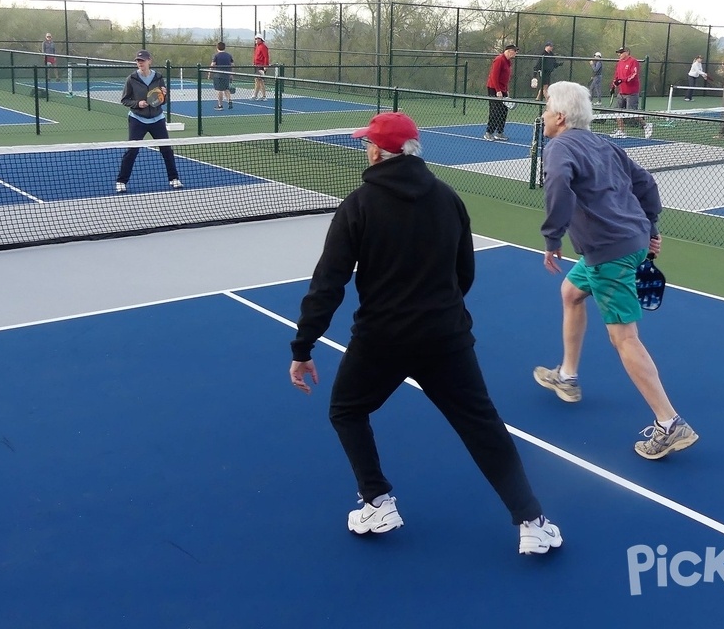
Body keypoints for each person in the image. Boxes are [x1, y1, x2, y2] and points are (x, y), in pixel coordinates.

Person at [289, 111, 562, 555]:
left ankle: (377, 501)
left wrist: (303, 346)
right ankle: (532, 521)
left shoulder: (358, 205)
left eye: (367, 144)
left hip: (381, 340)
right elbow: (464, 274)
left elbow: (328, 283)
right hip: (446, 337)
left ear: (378, 151)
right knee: (483, 427)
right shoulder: (448, 198)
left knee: (346, 410)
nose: (366, 149)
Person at [533, 81, 698, 460]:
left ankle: (669, 422)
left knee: (624, 338)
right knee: (571, 293)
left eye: (546, 109)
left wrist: (552, 237)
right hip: (623, 243)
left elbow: (558, 185)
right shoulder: (603, 143)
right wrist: (651, 228)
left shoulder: (558, 146)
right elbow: (646, 184)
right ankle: (568, 376)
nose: (542, 115)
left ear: (559, 116)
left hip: (609, 252)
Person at [114, 49, 182, 193]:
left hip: (157, 119)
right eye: (138, 61)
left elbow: (163, 100)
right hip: (137, 119)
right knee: (132, 151)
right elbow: (125, 100)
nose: (140, 63)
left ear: (149, 61)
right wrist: (137, 104)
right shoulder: (131, 79)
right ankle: (121, 181)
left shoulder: (158, 77)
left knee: (166, 150)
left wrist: (164, 95)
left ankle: (174, 179)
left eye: (142, 61)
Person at [612, 46, 647, 139]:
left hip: (632, 92)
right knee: (617, 112)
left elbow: (634, 75)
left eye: (621, 52)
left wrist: (622, 80)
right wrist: (613, 86)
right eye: (618, 53)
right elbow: (616, 75)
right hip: (622, 92)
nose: (619, 54)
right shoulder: (619, 63)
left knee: (632, 114)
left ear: (627, 52)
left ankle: (646, 125)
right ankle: (621, 131)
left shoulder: (633, 61)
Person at [484, 44, 516, 141]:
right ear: (509, 51)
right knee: (495, 110)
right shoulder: (499, 60)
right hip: (494, 88)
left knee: (504, 111)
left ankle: (499, 132)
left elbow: (506, 78)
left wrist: (506, 90)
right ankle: (489, 132)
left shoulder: (508, 62)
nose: (515, 54)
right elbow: (494, 76)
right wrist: (498, 90)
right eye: (514, 51)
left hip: (503, 89)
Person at [209, 41, 235, 110]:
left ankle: (220, 105)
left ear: (217, 48)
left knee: (219, 90)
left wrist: (209, 72)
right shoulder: (229, 55)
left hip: (218, 75)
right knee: (226, 89)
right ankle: (229, 100)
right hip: (227, 74)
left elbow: (213, 64)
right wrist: (231, 73)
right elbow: (232, 65)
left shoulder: (216, 55)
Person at [252, 34, 270, 101]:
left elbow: (266, 57)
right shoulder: (257, 46)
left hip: (261, 66)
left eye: (257, 38)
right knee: (257, 80)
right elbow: (256, 56)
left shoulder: (263, 47)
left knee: (260, 81)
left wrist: (265, 66)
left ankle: (264, 96)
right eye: (255, 39)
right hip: (257, 65)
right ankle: (255, 95)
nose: (256, 40)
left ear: (261, 39)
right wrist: (254, 63)